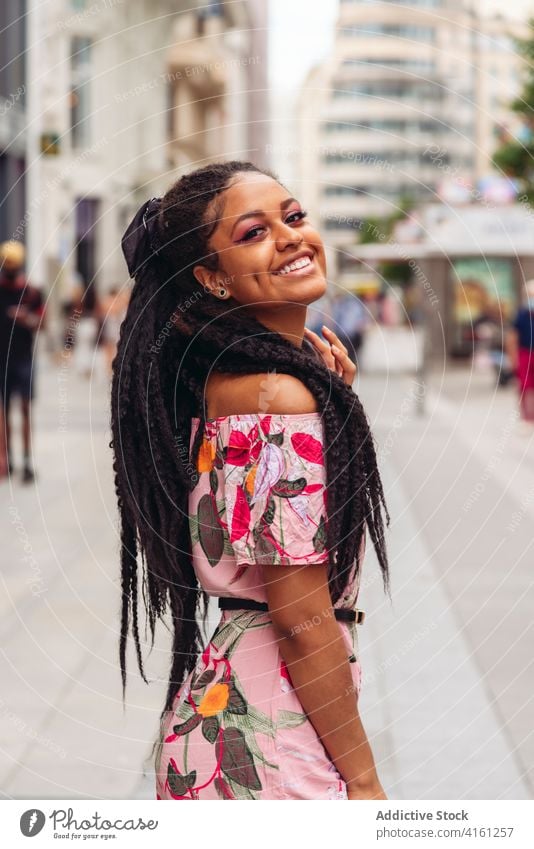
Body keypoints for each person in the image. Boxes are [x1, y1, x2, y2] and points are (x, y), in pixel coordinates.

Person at [111, 161, 391, 801]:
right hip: (271, 746)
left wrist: (328, 415)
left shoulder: (234, 386)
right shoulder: (276, 398)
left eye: (293, 217)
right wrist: (368, 784)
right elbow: (300, 619)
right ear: (211, 279)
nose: (291, 236)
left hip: (233, 718)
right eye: (253, 233)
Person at [0, 240, 45, 482]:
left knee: (25, 410)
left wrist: (25, 318)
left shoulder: (31, 292)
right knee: (3, 411)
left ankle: (27, 461)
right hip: (2, 361)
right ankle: (7, 460)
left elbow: (43, 323)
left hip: (24, 359)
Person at [507, 279, 534, 430]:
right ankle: (527, 418)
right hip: (525, 353)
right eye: (530, 295)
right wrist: (513, 359)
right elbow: (512, 337)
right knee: (524, 386)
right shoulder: (521, 315)